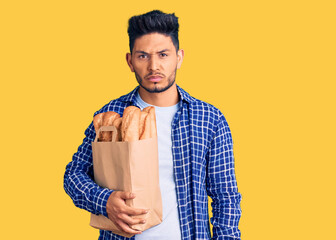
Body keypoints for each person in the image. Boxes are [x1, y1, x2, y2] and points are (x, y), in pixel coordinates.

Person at [63, 10, 242, 240]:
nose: (153, 66)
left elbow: (225, 198)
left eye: (163, 54)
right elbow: (73, 175)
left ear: (179, 57)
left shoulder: (209, 119)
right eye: (143, 56)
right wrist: (104, 201)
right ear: (130, 61)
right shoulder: (109, 115)